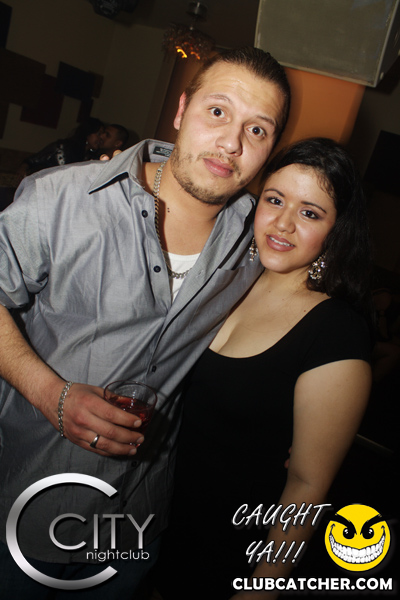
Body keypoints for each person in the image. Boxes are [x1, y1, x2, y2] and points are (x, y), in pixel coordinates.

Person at [0, 47, 290, 598]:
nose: (231, 143)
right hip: (21, 505)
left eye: (257, 130)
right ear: (180, 111)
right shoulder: (61, 198)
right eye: (217, 111)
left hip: (134, 526)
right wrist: (49, 393)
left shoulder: (258, 244)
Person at [154, 138, 373, 600]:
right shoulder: (223, 280)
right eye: (274, 200)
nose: (283, 223)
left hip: (232, 552)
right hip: (153, 528)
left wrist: (263, 585)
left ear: (336, 231)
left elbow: (307, 483)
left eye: (310, 213)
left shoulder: (336, 333)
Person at [18, 117, 104, 179]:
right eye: (98, 134)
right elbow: (33, 160)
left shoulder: (90, 158)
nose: (100, 139)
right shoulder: (63, 147)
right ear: (88, 132)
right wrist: (24, 168)